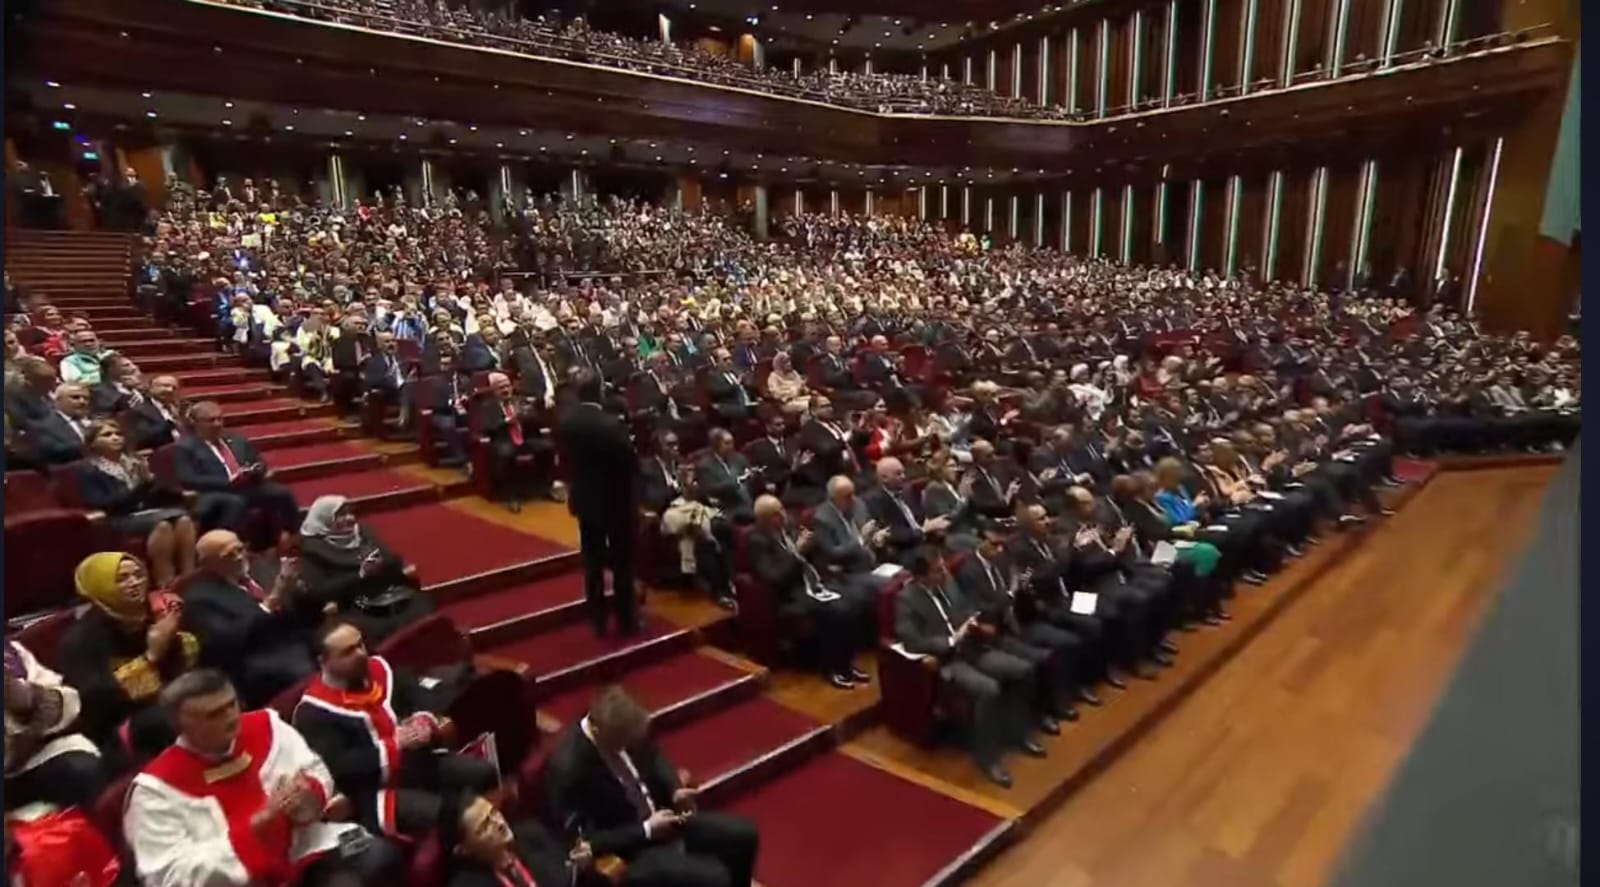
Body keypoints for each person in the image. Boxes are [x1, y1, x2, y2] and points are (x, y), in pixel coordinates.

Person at [124, 669, 404, 887]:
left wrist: (310, 794)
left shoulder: (266, 725)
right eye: (214, 714)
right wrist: (255, 830)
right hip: (240, 880)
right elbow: (169, 877)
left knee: (379, 853)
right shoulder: (154, 790)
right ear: (181, 725)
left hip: (307, 845)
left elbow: (315, 770)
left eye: (231, 705)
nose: (232, 717)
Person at [294, 622, 498, 839]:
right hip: (373, 791)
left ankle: (494, 833)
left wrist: (422, 721)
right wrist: (395, 744)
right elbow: (342, 767)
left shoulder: (378, 669)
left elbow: (416, 692)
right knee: (450, 813)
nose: (361, 654)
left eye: (360, 645)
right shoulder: (312, 712)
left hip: (413, 760)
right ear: (323, 662)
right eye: (348, 652)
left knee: (483, 773)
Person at [545, 686, 760, 887]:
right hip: (632, 850)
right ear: (599, 732)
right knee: (715, 877)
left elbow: (656, 757)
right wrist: (646, 829)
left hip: (665, 818)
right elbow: (583, 841)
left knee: (743, 835)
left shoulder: (621, 726)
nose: (630, 746)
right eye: (623, 743)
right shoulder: (568, 768)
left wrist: (674, 789)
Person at [893, 548, 1045, 788]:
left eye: (943, 567)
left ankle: (1018, 733)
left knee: (1023, 670)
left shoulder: (948, 582)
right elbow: (911, 640)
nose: (944, 572)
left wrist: (974, 624)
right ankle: (988, 759)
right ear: (921, 576)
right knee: (989, 689)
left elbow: (964, 608)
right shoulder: (906, 599)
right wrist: (949, 641)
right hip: (948, 661)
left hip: (973, 648)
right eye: (937, 571)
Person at [59, 552, 199, 767]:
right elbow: (97, 703)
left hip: (166, 700)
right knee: (167, 718)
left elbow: (182, 668)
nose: (134, 583)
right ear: (99, 587)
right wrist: (150, 657)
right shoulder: (80, 640)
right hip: (116, 726)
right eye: (122, 579)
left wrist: (177, 639)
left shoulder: (158, 616)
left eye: (138, 575)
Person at [745, 495, 873, 689]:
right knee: (836, 611)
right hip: (790, 594)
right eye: (776, 514)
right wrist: (797, 552)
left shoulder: (789, 527)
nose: (783, 515)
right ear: (763, 520)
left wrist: (814, 549)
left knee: (852, 603)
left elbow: (813, 555)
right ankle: (833, 668)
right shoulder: (757, 541)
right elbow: (774, 577)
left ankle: (847, 663)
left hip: (814, 582)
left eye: (782, 509)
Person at [183, 530, 317, 707]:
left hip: (296, 639)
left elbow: (305, 613)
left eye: (240, 549)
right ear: (208, 563)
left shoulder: (261, 569)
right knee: (310, 676)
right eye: (229, 555)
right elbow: (221, 644)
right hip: (257, 658)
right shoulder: (200, 598)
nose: (239, 557)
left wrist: (297, 590)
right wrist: (269, 604)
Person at [556, 370, 640, 638]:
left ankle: (598, 620)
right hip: (615, 500)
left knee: (592, 562)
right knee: (621, 563)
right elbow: (629, 460)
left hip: (585, 500)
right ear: (600, 391)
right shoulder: (609, 424)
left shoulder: (566, 421)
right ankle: (627, 621)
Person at [74, 419, 198, 587]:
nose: (115, 438)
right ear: (93, 443)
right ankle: (165, 579)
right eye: (107, 435)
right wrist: (142, 487)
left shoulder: (135, 462)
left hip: (146, 512)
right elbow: (100, 502)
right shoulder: (88, 469)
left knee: (184, 520)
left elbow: (153, 493)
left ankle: (189, 575)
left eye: (118, 434)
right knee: (163, 525)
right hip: (118, 516)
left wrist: (160, 487)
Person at [296, 496, 432, 645]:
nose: (350, 518)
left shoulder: (363, 532)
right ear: (325, 519)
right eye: (341, 515)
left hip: (388, 592)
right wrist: (361, 574)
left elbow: (392, 558)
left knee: (421, 611)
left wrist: (378, 566)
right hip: (351, 606)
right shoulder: (313, 549)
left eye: (350, 513)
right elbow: (320, 591)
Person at [175, 400, 301, 545]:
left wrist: (257, 469)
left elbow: (258, 460)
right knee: (235, 503)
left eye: (220, 419)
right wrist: (228, 481)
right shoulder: (185, 447)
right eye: (211, 420)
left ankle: (293, 537)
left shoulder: (235, 439)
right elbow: (187, 478)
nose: (218, 424)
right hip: (217, 491)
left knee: (281, 492)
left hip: (246, 486)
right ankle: (225, 545)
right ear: (196, 422)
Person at [4, 639, 105, 810]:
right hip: (11, 775)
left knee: (84, 770)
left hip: (45, 750)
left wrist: (29, 702)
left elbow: (69, 707)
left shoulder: (11, 652)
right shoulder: (82, 639)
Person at [438, 791, 595, 887]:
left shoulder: (530, 834)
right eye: (485, 826)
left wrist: (582, 867)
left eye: (494, 813)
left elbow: (568, 876)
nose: (499, 823)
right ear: (463, 850)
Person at [478, 371, 557, 513]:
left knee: (548, 447)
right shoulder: (488, 406)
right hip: (504, 441)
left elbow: (538, 422)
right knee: (505, 454)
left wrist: (528, 415)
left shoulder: (521, 401)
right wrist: (508, 421)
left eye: (507, 386)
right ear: (493, 390)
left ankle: (546, 487)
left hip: (525, 439)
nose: (505, 390)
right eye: (501, 388)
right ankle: (511, 495)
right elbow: (488, 427)